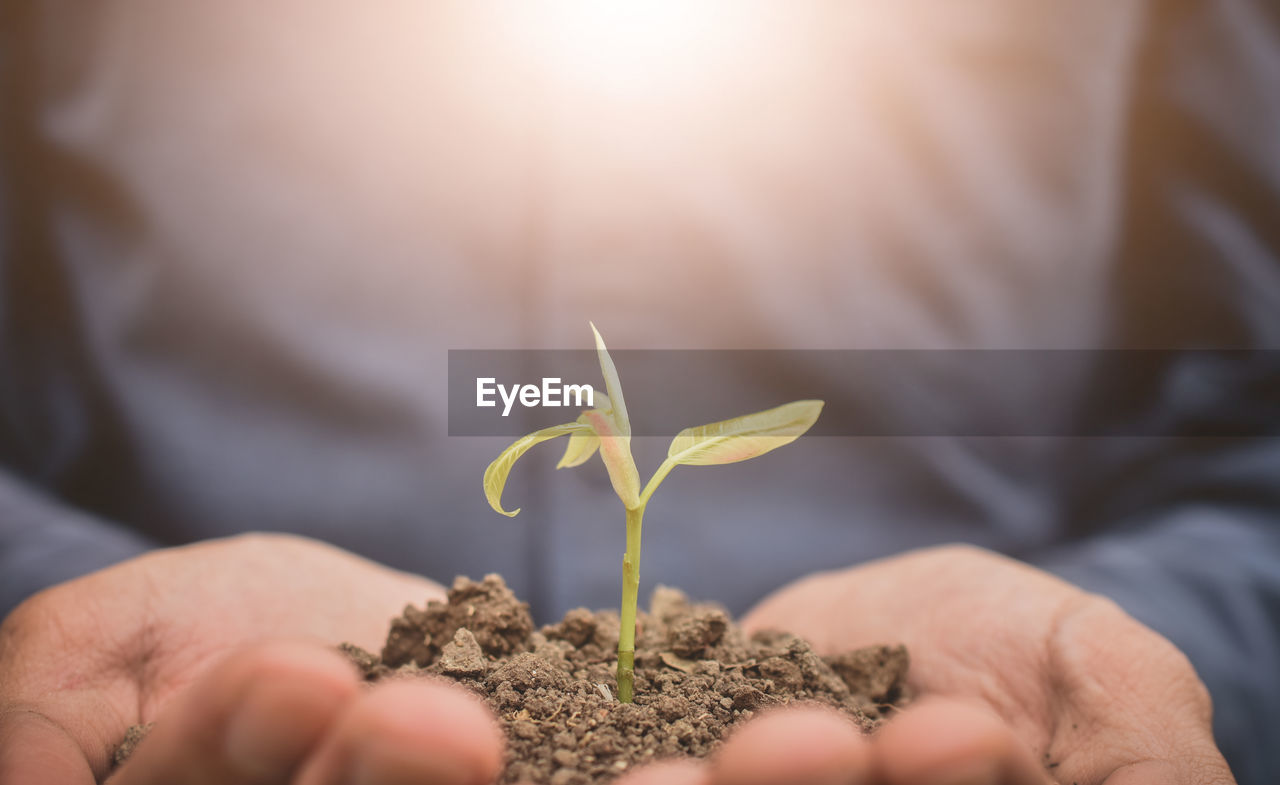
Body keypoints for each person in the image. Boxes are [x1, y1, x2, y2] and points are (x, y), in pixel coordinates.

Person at [1, 2, 1275, 784]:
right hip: (234, 712)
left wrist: (1124, 663)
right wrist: (56, 611)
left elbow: (1250, 438)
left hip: (928, 712)